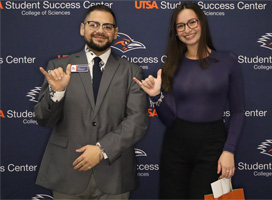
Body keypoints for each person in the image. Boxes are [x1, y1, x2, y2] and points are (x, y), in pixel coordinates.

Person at [34, 5, 148, 199]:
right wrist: (58, 92)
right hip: (67, 171)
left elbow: (137, 121)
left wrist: (102, 150)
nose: (100, 31)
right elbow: (44, 119)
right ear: (82, 28)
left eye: (107, 26)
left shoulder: (131, 71)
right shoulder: (59, 67)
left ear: (115, 33)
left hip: (114, 173)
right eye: (94, 24)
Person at [133, 2, 245, 199]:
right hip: (175, 146)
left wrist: (229, 150)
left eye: (192, 22)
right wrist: (156, 97)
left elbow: (237, 111)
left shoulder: (228, 62)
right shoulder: (171, 65)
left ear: (201, 22)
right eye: (181, 25)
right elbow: (169, 120)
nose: (187, 30)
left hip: (213, 146)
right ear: (175, 32)